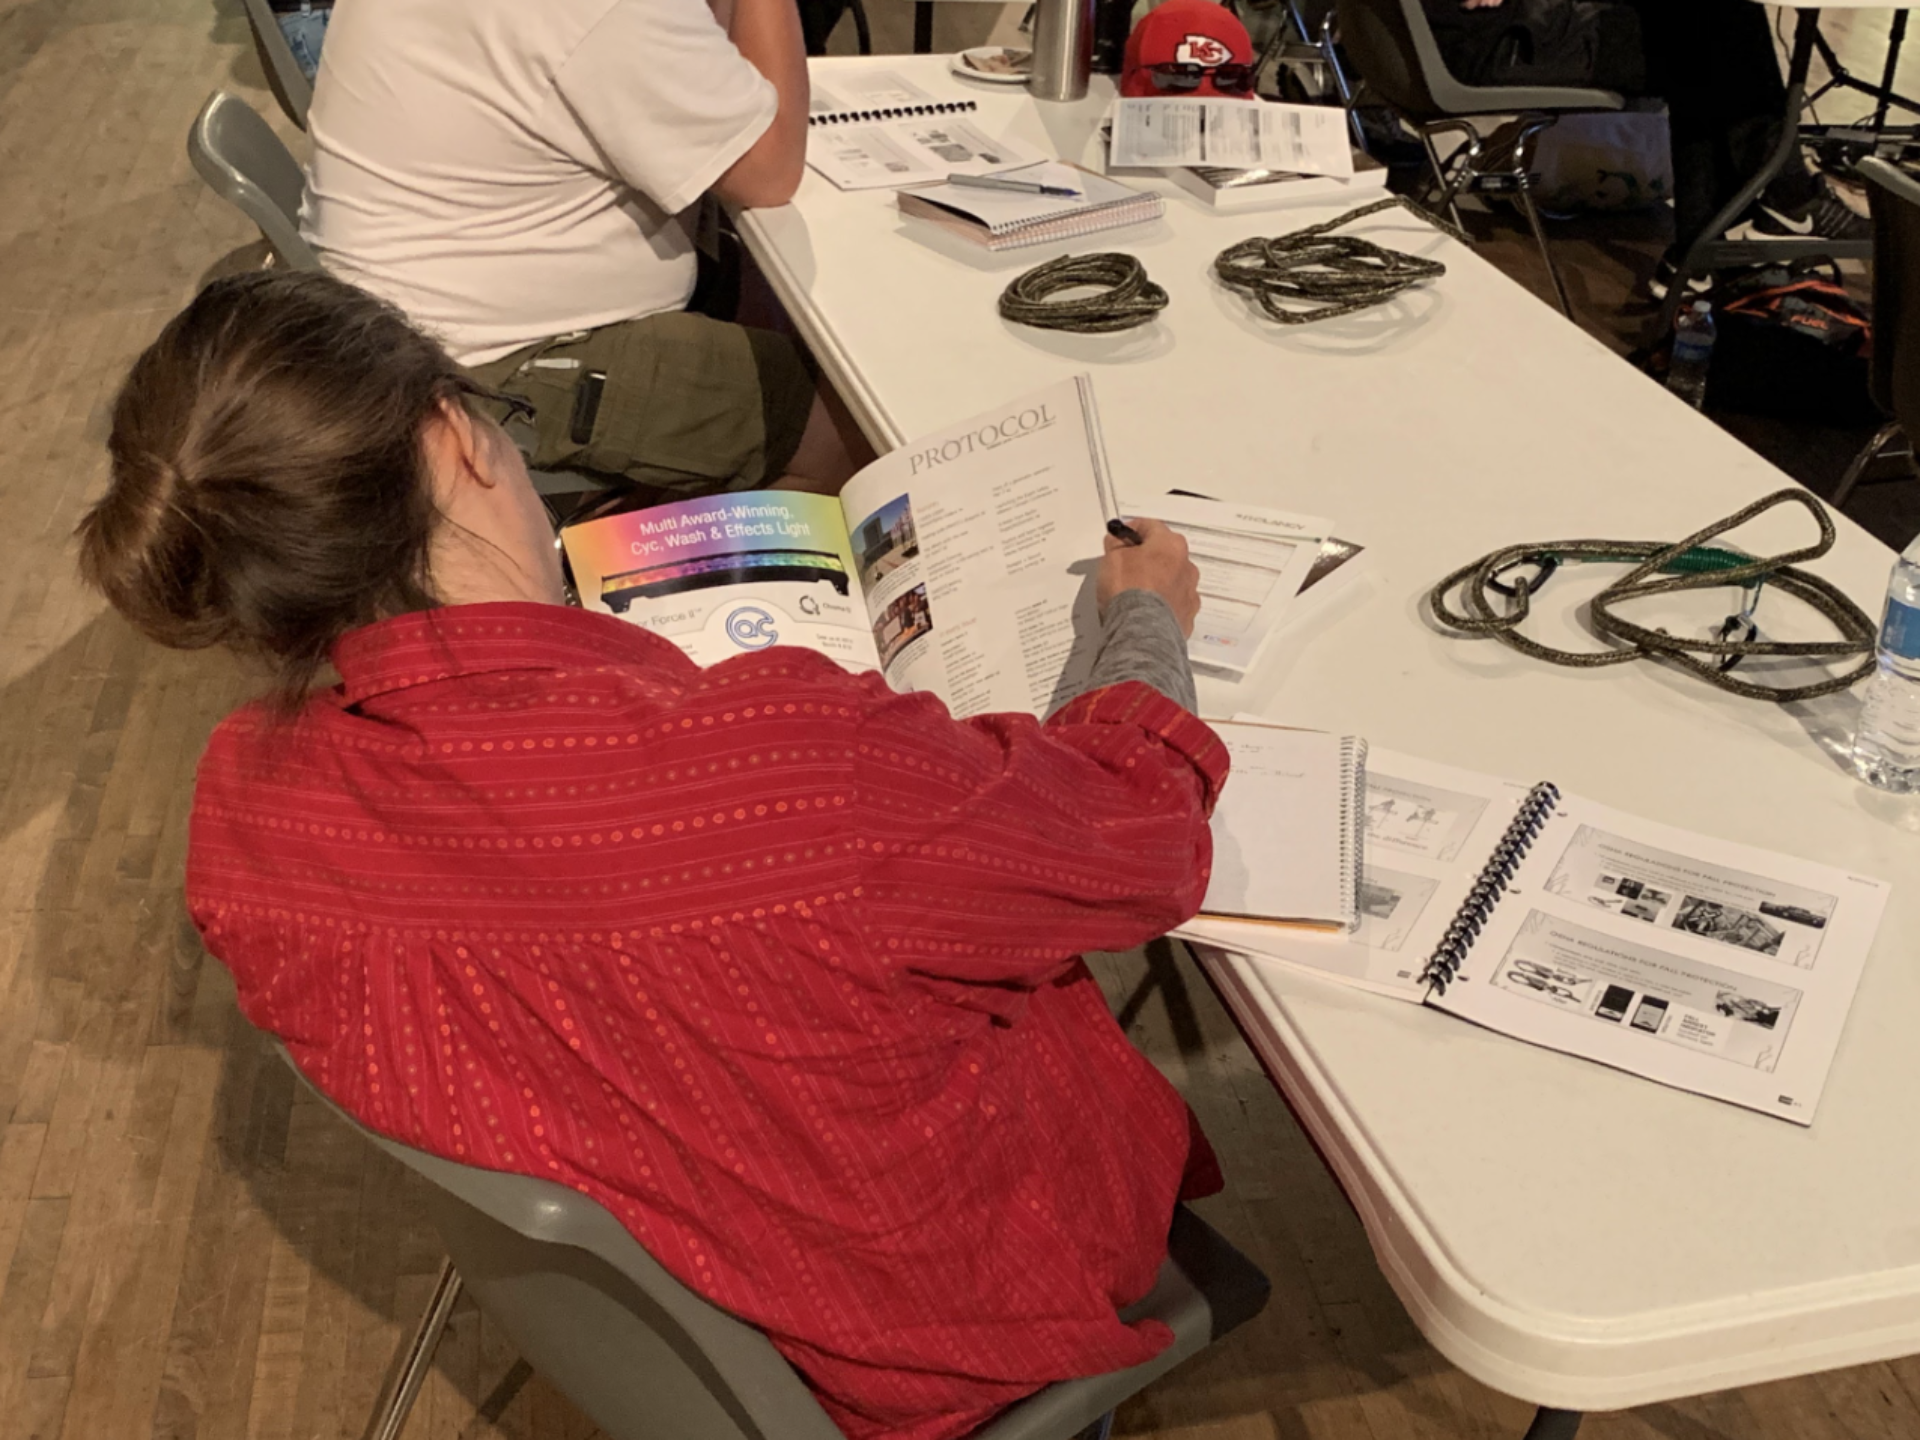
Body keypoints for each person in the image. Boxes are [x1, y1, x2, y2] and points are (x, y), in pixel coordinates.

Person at [75, 270, 1228, 1440]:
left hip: (684, 1326)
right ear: (455, 439)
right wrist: (1141, 622)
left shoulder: (243, 815)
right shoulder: (783, 768)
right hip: (944, 1329)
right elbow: (1145, 838)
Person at [300, 0, 859, 499]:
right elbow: (769, 169)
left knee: (762, 299)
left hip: (380, 322)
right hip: (477, 366)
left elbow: (702, 60)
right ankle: (660, 585)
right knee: (851, 427)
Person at [1420, 0, 1867, 295]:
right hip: (1494, 41)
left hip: (1493, 31)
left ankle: (1702, 253)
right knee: (1713, 30)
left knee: (1707, 28)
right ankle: (1779, 203)